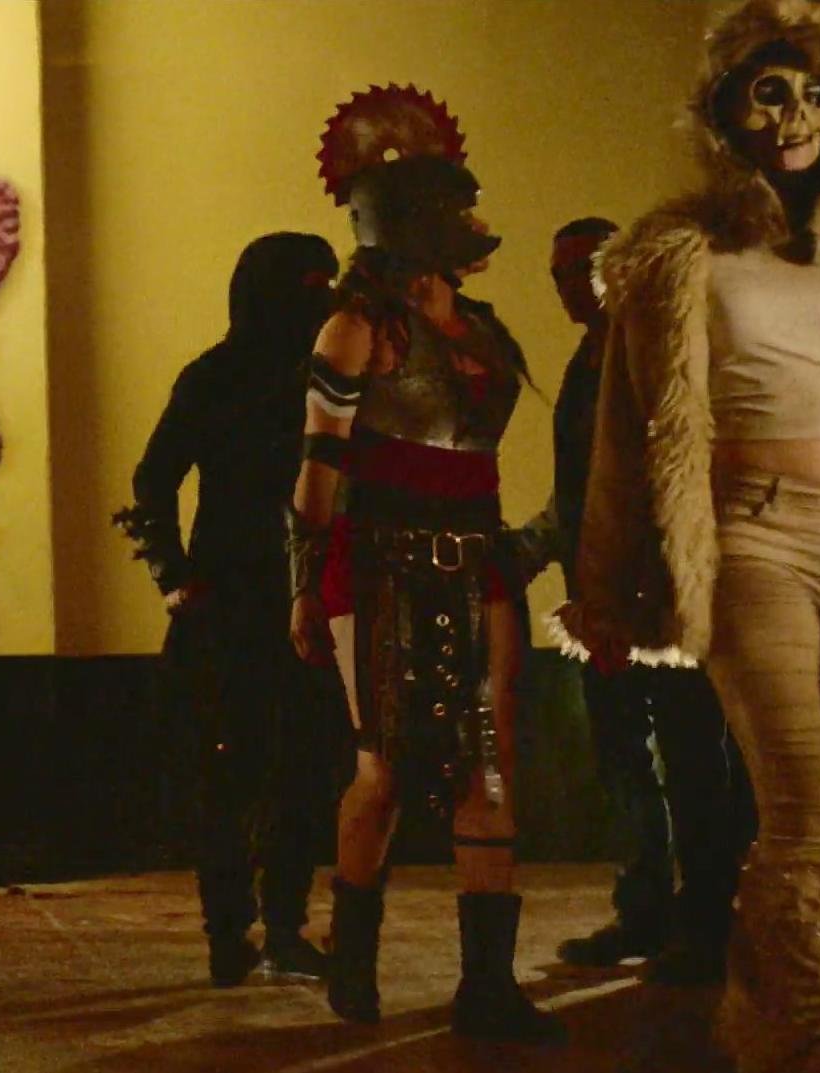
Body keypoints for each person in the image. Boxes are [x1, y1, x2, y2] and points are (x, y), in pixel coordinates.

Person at [570, 1, 820, 1068]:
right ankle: (809, 1040)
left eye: (819, 93)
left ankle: (791, 1011)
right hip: (754, 537)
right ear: (725, 108)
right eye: (768, 93)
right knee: (802, 804)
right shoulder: (676, 254)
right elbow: (624, 438)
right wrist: (605, 591)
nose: (796, 117)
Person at [289, 86, 564, 1044]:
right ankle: (353, 958)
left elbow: (478, 444)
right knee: (385, 769)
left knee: (488, 765)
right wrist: (305, 585)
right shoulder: (355, 328)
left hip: (474, 562)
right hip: (379, 566)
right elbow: (316, 477)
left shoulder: (477, 327)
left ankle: (486, 984)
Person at [525, 218, 752, 984]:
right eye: (557, 274)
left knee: (692, 757)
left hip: (661, 596)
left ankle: (707, 921)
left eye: (581, 268)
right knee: (622, 757)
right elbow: (580, 491)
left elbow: (669, 477)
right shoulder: (586, 363)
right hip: (601, 597)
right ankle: (648, 911)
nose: (569, 286)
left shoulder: (659, 351)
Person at [115, 232, 345, 987]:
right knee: (234, 772)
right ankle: (234, 930)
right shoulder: (218, 377)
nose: (324, 298)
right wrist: (173, 576)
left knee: (300, 767)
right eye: (310, 284)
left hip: (299, 597)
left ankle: (273, 927)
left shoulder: (324, 376)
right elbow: (153, 478)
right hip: (233, 600)